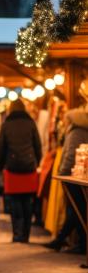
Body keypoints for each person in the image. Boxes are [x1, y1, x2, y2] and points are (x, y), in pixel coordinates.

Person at [43, 103, 88, 254]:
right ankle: (68, 241)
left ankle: (75, 243)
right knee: (76, 210)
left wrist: (62, 173)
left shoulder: (75, 132)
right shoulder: (80, 131)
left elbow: (70, 155)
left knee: (76, 210)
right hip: (75, 174)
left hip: (71, 175)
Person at [0, 98, 42, 244]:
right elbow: (38, 145)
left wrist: (0, 166)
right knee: (28, 201)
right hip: (29, 167)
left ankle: (17, 234)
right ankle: (26, 235)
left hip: (12, 167)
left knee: (15, 201)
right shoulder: (31, 123)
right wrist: (37, 162)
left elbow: (1, 148)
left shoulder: (6, 124)